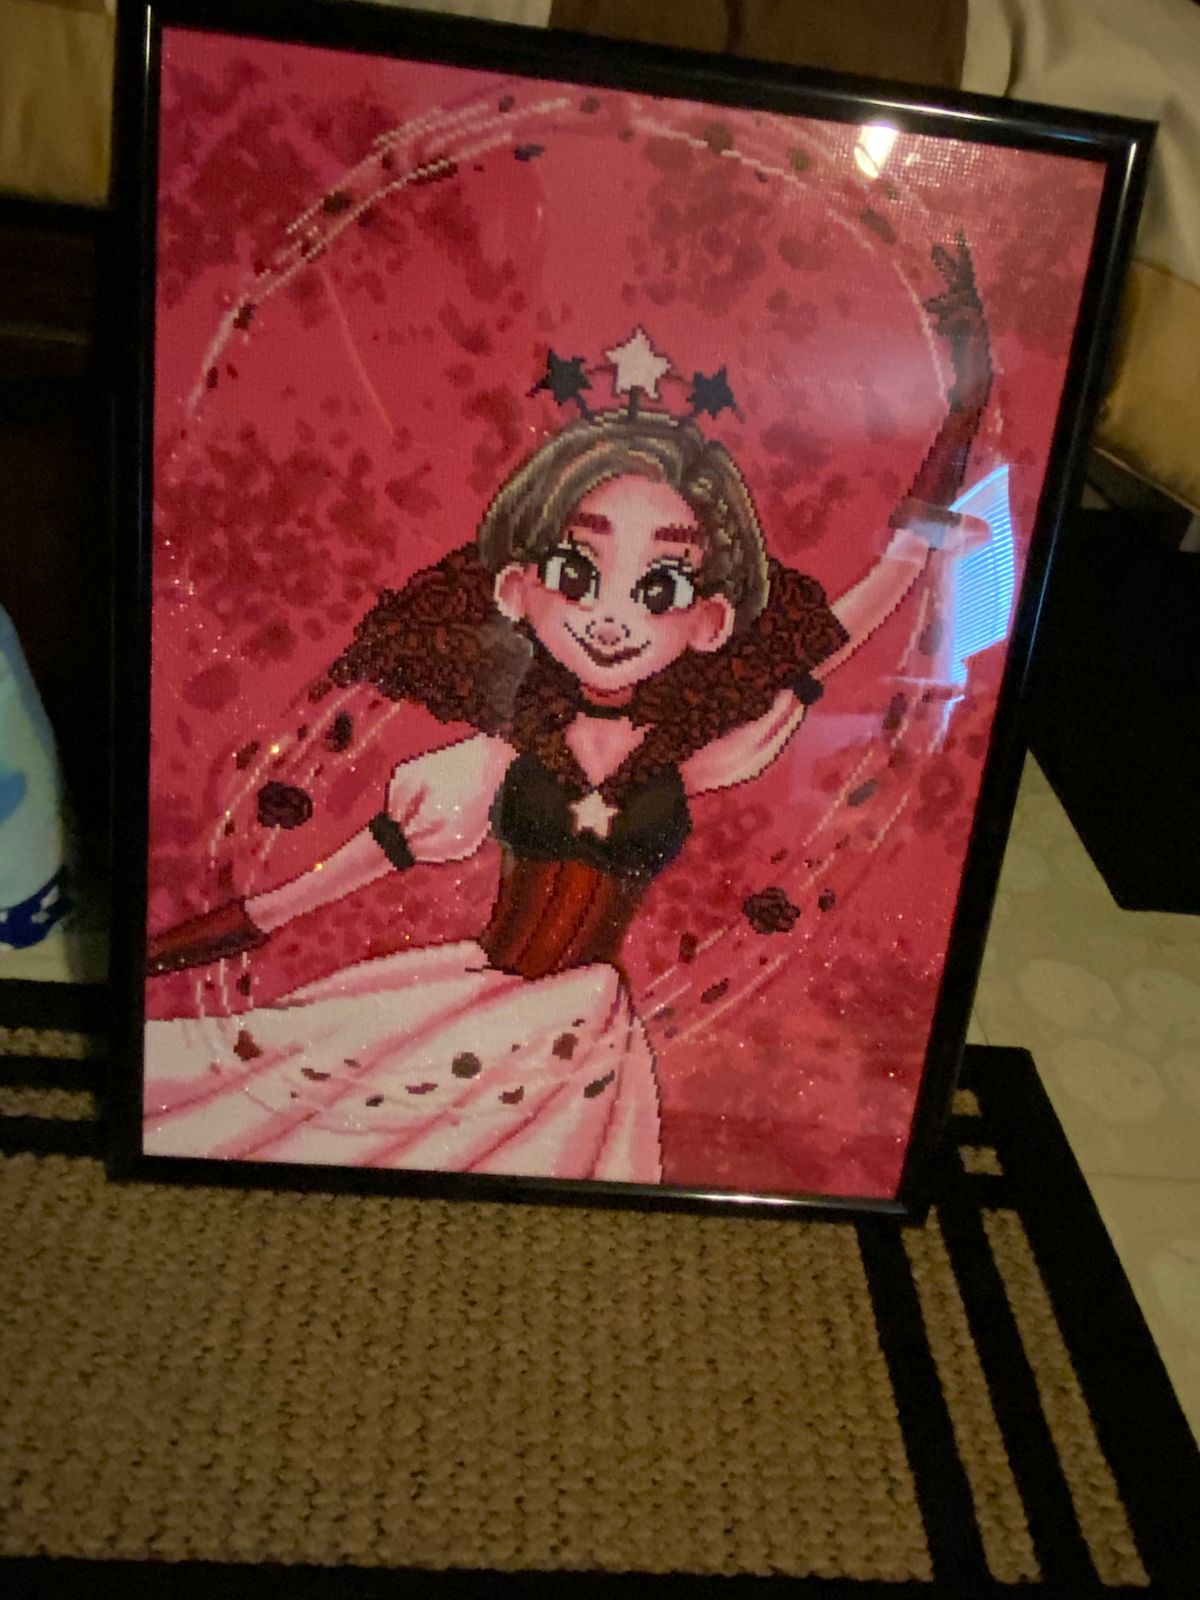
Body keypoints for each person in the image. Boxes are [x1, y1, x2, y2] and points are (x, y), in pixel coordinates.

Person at [142, 240, 992, 1181]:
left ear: (710, 620)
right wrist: (162, 950)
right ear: (517, 590)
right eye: (576, 572)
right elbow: (299, 896)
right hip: (473, 1009)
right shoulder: (481, 768)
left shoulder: (698, 752)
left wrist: (968, 405)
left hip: (585, 1043)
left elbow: (873, 596)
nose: (613, 618)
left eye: (661, 587)